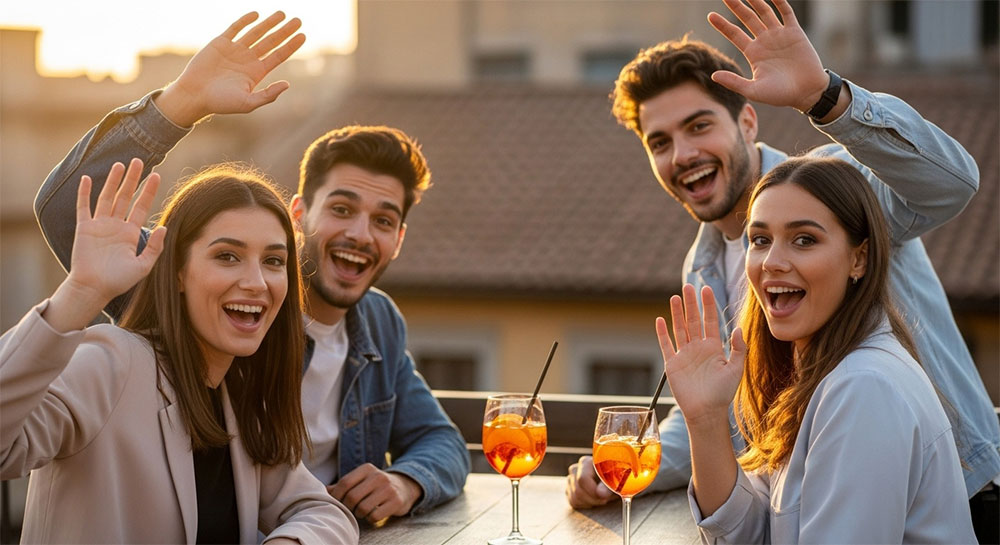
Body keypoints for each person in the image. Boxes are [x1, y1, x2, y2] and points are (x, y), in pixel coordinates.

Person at [565, 0, 999, 536]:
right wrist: (628, 464)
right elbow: (720, 409)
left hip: (964, 491)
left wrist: (824, 97)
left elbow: (951, 184)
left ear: (747, 121)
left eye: (698, 125)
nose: (682, 153)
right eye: (660, 142)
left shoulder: (836, 185)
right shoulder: (703, 268)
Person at [33, 12, 470, 525]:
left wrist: (404, 481)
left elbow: (439, 440)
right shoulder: (208, 303)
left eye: (383, 220)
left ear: (397, 240)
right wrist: (180, 104)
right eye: (343, 209)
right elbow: (66, 209)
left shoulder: (376, 322)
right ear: (300, 215)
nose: (359, 234)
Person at [2, 160, 359, 544]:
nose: (256, 282)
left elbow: (320, 511)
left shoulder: (237, 396)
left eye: (273, 261)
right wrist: (80, 293)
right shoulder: (110, 361)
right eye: (227, 256)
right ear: (176, 271)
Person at [657, 156, 976, 543]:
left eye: (804, 240)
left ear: (859, 258)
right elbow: (754, 534)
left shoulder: (863, 389)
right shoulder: (814, 374)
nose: (772, 261)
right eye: (760, 240)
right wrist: (705, 420)